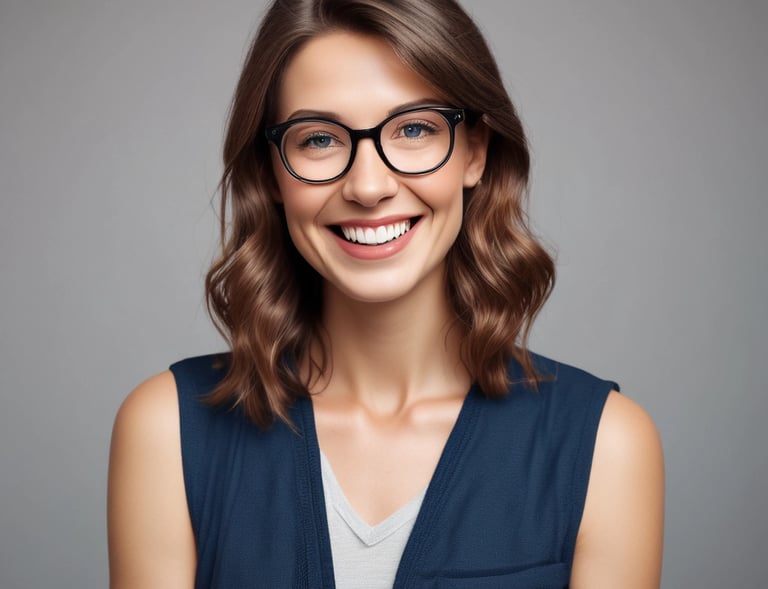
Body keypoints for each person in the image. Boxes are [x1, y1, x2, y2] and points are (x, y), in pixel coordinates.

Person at [107, 0, 664, 587]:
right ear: (272, 172)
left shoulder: (608, 444)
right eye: (318, 138)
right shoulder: (165, 429)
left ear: (475, 151)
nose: (369, 187)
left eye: (416, 128)